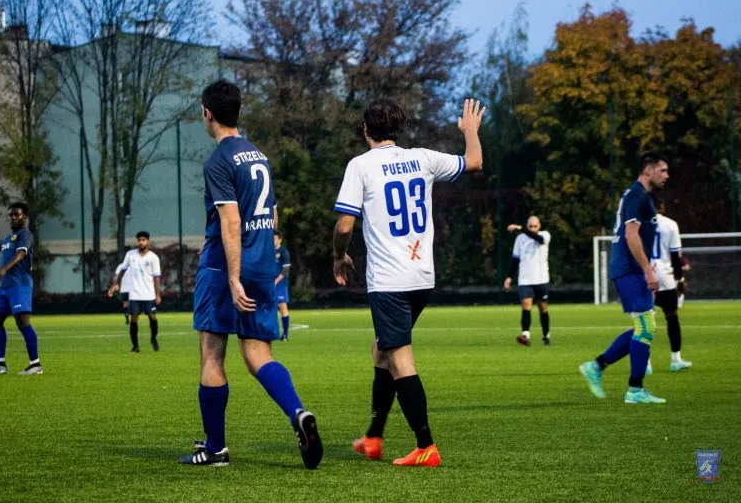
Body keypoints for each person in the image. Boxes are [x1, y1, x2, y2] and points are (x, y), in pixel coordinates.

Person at [333, 98, 485, 467]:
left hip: (389, 280)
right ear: (396, 130)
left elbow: (344, 225)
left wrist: (338, 255)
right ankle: (373, 438)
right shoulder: (424, 157)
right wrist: (470, 133)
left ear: (366, 131)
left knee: (400, 358)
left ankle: (426, 446)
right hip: (422, 277)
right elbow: (475, 162)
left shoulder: (361, 166)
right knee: (381, 350)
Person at [179, 79, 322, 468]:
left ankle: (215, 449)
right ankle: (297, 413)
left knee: (212, 355)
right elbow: (270, 216)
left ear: (207, 113)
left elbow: (230, 222)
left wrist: (231, 276)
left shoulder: (219, 160)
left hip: (226, 268)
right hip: (263, 264)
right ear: (238, 111)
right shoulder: (258, 155)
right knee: (258, 353)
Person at [579, 151, 670, 404]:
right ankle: (634, 390)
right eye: (662, 170)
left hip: (634, 269)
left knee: (643, 327)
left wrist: (648, 270)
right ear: (648, 170)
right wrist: (648, 270)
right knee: (646, 327)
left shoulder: (642, 197)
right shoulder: (636, 195)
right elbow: (631, 235)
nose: (666, 175)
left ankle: (597, 367)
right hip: (628, 268)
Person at [0, 203, 43, 375]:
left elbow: (21, 254)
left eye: (17, 215)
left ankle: (35, 364)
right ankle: (0, 364)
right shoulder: (9, 237)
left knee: (22, 321)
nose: (13, 218)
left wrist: (4, 269)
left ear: (25, 217)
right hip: (5, 287)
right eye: (11, 215)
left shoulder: (26, 235)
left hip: (19, 284)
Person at [652, 198, 692, 371]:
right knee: (672, 317)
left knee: (644, 322)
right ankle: (676, 359)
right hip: (665, 276)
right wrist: (680, 280)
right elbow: (676, 257)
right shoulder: (670, 224)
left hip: (644, 276)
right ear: (662, 207)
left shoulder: (636, 224)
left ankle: (645, 363)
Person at [106, 232, 162, 352]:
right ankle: (135, 346)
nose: (141, 242)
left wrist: (157, 294)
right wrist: (114, 285)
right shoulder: (130, 255)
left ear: (148, 241)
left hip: (149, 295)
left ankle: (153, 338)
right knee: (134, 319)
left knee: (152, 317)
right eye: (139, 240)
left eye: (143, 240)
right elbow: (122, 271)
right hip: (135, 294)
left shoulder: (153, 257)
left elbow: (156, 277)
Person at [503, 216, 552, 346]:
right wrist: (509, 277)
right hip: (525, 279)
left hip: (541, 279)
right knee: (526, 304)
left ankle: (546, 335)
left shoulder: (545, 235)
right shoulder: (520, 239)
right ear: (527, 225)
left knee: (543, 308)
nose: (533, 229)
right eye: (530, 226)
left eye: (535, 226)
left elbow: (538, 239)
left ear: (539, 226)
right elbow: (515, 259)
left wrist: (520, 228)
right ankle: (526, 335)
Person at [274, 231, 292, 341]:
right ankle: (273, 333)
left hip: (280, 285)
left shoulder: (283, 252)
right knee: (270, 308)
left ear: (280, 239)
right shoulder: (268, 251)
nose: (273, 240)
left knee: (282, 307)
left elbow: (285, 270)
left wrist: (276, 281)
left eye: (275, 238)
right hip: (269, 283)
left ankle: (285, 335)